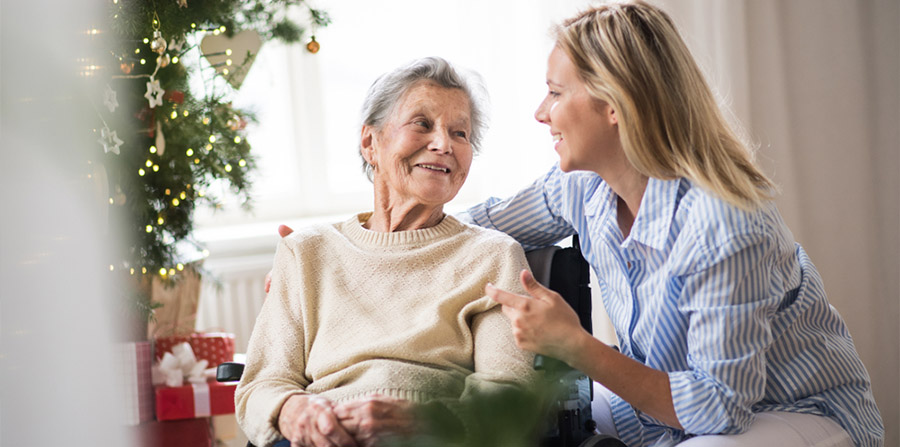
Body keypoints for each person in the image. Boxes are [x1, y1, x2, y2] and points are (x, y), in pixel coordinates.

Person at [471, 2, 884, 447]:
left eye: (555, 92)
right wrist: (389, 217)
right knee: (528, 425)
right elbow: (476, 227)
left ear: (614, 104)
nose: (540, 112)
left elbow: (718, 408)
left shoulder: (724, 222)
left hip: (794, 411)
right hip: (667, 410)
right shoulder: (582, 187)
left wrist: (575, 345)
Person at [237, 57, 536, 447]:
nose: (444, 144)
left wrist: (418, 420)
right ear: (369, 143)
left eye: (460, 133)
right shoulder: (306, 252)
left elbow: (508, 396)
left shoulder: (494, 257)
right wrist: (294, 411)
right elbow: (260, 386)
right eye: (422, 124)